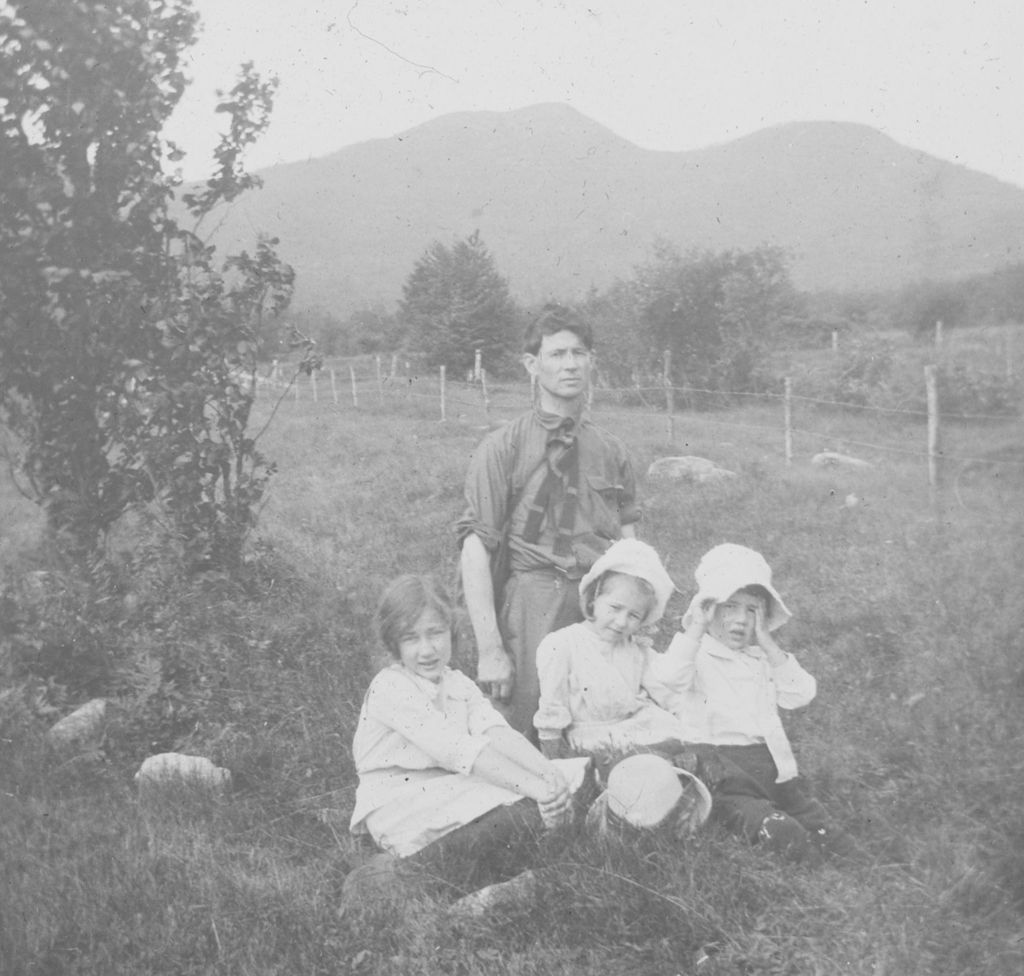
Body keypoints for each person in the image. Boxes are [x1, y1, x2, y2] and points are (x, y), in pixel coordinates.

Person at [347, 574, 591, 905]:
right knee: (526, 813)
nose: (427, 650)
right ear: (394, 644)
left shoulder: (457, 683)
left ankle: (526, 858)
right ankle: (403, 875)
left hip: (454, 786)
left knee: (581, 775)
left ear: (451, 630)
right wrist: (538, 791)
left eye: (436, 633)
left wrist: (548, 775)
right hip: (405, 803)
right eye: (411, 638)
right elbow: (459, 751)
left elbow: (497, 733)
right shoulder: (390, 687)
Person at [456, 303, 641, 738]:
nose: (570, 364)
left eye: (579, 353)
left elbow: (632, 545)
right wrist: (490, 649)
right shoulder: (502, 447)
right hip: (531, 606)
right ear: (531, 365)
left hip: (598, 609)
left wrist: (638, 619)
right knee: (526, 734)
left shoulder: (612, 451)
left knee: (604, 730)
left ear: (591, 360)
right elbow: (475, 549)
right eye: (556, 354)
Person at [652, 543, 855, 863]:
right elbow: (667, 680)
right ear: (708, 610)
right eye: (729, 607)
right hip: (723, 770)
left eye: (751, 610)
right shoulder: (697, 653)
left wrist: (769, 645)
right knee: (773, 826)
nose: (740, 620)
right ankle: (784, 839)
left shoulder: (762, 658)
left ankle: (846, 857)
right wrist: (695, 630)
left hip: (772, 769)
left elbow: (800, 694)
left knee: (822, 827)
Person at [532, 538, 689, 773]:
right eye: (615, 608)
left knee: (684, 744)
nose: (621, 622)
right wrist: (554, 763)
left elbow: (665, 690)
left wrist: (687, 716)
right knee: (639, 765)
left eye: (634, 616)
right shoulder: (562, 644)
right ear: (594, 599)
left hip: (638, 724)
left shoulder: (635, 649)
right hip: (593, 734)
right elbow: (552, 707)